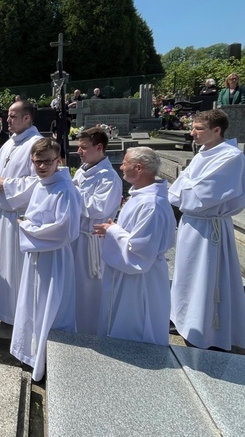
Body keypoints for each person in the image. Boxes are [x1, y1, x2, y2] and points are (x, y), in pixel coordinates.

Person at [168, 109, 245, 350]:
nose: (192, 133)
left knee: (206, 278)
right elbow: (179, 189)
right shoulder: (204, 153)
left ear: (217, 130)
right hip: (192, 224)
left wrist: (183, 192)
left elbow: (199, 196)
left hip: (209, 228)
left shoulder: (230, 156)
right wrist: (183, 191)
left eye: (198, 129)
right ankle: (184, 318)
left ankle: (208, 330)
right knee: (187, 275)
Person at [10, 138, 80, 382]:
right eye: (38, 161)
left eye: (48, 161)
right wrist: (30, 226)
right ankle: (30, 353)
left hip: (54, 258)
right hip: (36, 257)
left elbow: (64, 229)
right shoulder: (41, 185)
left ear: (58, 161)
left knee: (51, 309)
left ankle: (51, 360)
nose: (42, 166)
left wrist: (27, 227)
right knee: (32, 304)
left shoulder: (65, 189)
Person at [93, 147, 176, 346]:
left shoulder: (151, 204)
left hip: (140, 279)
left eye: (125, 163)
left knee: (136, 324)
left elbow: (141, 249)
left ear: (138, 168)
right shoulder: (141, 196)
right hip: (129, 275)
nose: (121, 167)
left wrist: (112, 231)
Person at [0, 100, 43, 325]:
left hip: (21, 217)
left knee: (19, 268)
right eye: (8, 116)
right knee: (3, 263)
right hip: (4, 215)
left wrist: (7, 185)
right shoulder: (9, 144)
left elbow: (39, 181)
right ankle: (4, 311)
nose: (7, 120)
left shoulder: (37, 144)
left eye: (12, 116)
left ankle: (21, 317)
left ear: (27, 118)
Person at [71, 128, 123, 334]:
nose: (79, 151)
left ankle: (89, 334)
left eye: (84, 147)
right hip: (76, 238)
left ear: (99, 148)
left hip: (91, 242)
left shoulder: (108, 177)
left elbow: (97, 208)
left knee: (89, 291)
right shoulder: (84, 170)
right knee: (74, 288)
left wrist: (70, 191)